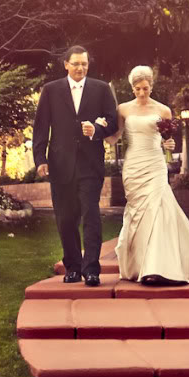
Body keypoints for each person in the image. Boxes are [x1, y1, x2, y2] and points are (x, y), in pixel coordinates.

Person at [111, 65, 189, 284]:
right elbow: (115, 135)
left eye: (145, 88)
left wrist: (170, 144)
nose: (142, 93)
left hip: (155, 163)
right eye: (137, 89)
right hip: (134, 164)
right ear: (132, 88)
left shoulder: (163, 110)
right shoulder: (123, 109)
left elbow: (168, 142)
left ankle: (156, 267)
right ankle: (139, 264)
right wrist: (96, 132)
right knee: (138, 214)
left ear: (151, 86)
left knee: (158, 209)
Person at [32, 45, 118, 286]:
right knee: (65, 218)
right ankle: (72, 267)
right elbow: (41, 127)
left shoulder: (101, 89)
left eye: (85, 64)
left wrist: (97, 130)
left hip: (91, 164)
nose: (81, 67)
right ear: (66, 64)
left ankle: (92, 269)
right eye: (76, 63)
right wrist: (40, 159)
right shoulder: (50, 90)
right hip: (60, 165)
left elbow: (112, 122)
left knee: (91, 216)